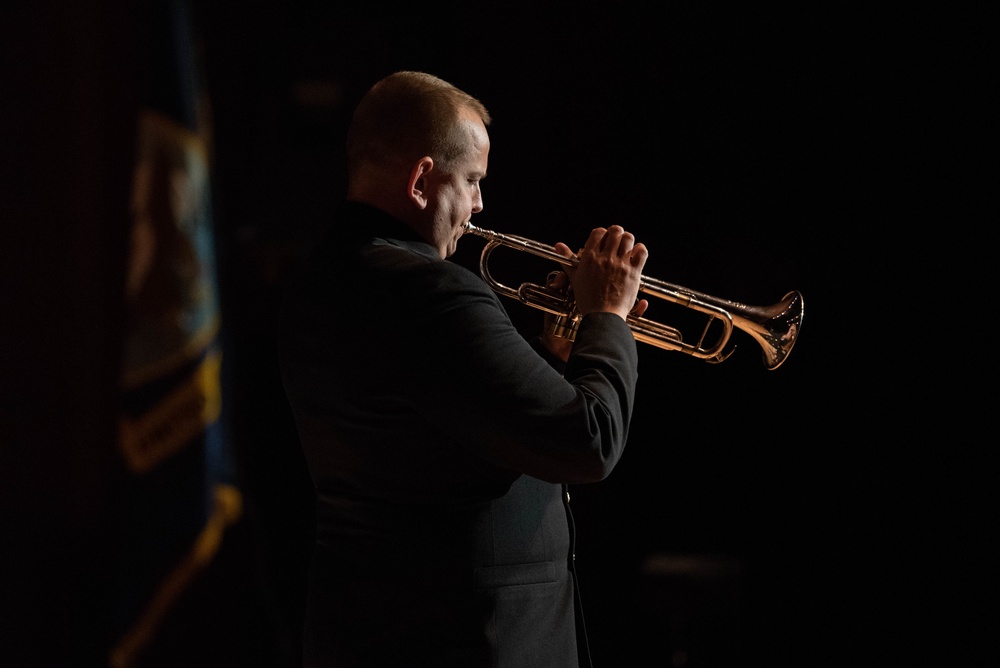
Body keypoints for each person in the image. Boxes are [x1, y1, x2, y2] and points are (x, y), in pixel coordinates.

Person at [278, 70, 649, 668]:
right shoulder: (434, 294)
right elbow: (589, 442)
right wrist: (609, 315)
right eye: (473, 181)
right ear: (423, 180)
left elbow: (453, 431)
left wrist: (561, 341)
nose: (479, 206)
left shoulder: (322, 278)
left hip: (367, 631)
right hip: (469, 639)